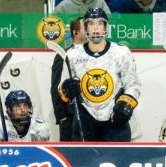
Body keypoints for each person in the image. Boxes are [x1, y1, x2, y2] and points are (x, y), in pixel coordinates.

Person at [58, 8, 142, 142]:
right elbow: (62, 88)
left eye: (100, 23)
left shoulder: (121, 53)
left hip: (115, 119)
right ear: (85, 28)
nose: (96, 28)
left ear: (106, 27)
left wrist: (126, 104)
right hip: (84, 119)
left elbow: (133, 84)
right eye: (91, 24)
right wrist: (66, 90)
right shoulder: (72, 55)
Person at [51, 17, 85, 141]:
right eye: (85, 26)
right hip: (70, 117)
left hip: (89, 117)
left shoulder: (94, 55)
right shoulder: (64, 55)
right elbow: (56, 88)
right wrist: (62, 117)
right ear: (75, 33)